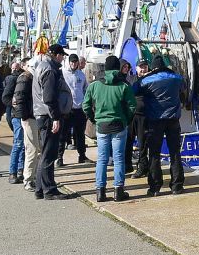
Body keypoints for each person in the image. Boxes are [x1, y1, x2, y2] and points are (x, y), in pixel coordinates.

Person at [83, 55, 137, 202]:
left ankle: (100, 192)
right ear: (117, 68)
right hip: (119, 125)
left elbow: (85, 105)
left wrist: (93, 118)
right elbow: (132, 106)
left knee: (102, 159)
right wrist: (126, 119)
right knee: (119, 159)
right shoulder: (124, 86)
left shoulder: (94, 85)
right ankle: (118, 191)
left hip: (102, 126)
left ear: (105, 68)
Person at [134, 55, 185, 196]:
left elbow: (134, 90)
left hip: (155, 120)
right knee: (175, 152)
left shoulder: (147, 80)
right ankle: (177, 186)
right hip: (173, 119)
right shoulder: (176, 78)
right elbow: (184, 88)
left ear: (153, 67)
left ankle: (155, 187)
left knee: (154, 154)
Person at [32, 44, 75, 200]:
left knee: (44, 153)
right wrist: (56, 117)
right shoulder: (49, 70)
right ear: (56, 55)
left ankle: (39, 188)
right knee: (49, 154)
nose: (63, 58)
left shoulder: (42, 66)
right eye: (62, 55)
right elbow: (49, 97)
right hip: (48, 116)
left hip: (42, 114)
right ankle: (49, 190)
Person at [59, 53, 91, 166]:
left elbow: (86, 89)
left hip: (79, 108)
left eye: (75, 62)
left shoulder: (81, 75)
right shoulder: (62, 73)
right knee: (63, 134)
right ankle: (59, 157)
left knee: (80, 134)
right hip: (67, 109)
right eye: (72, 62)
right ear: (69, 62)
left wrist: (86, 104)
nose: (74, 64)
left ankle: (82, 155)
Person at [12, 59, 37, 192]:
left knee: (34, 148)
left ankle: (32, 177)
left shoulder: (28, 77)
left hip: (32, 115)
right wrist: (24, 116)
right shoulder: (26, 78)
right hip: (29, 117)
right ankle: (28, 179)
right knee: (31, 148)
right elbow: (18, 98)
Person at [2, 60, 27, 184]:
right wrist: (13, 103)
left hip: (23, 114)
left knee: (22, 144)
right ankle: (13, 172)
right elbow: (5, 97)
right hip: (17, 115)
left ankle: (20, 170)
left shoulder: (27, 78)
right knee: (18, 143)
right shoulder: (13, 79)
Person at [125, 59, 151, 178]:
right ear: (136, 68)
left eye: (145, 66)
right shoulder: (130, 79)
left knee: (142, 143)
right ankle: (127, 165)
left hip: (144, 116)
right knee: (128, 140)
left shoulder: (151, 80)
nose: (143, 69)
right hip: (131, 115)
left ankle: (142, 167)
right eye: (140, 67)